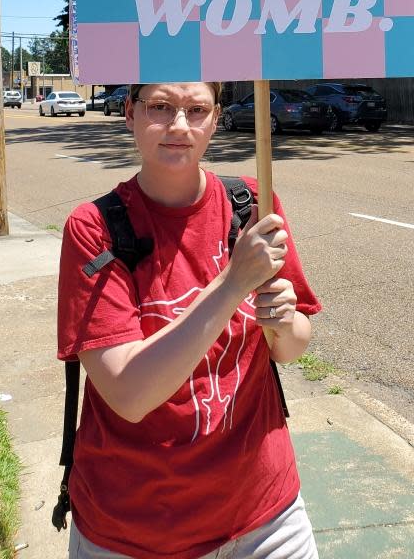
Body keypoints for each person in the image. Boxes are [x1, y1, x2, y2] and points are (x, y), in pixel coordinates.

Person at [57, 81, 322, 559]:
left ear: (216, 120)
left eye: (196, 109)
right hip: (137, 532)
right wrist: (233, 283)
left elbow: (293, 342)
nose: (179, 125)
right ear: (129, 113)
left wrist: (282, 321)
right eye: (160, 107)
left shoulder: (251, 206)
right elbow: (129, 394)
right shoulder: (94, 228)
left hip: (268, 515)